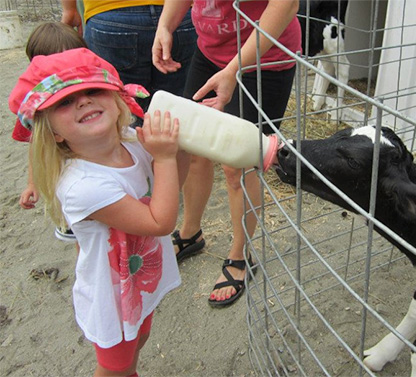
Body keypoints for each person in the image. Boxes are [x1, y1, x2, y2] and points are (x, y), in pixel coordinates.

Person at [8, 48, 185, 376]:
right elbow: (160, 221)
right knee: (113, 368)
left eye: (92, 91)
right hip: (112, 297)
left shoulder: (131, 141)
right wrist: (166, 157)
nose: (84, 101)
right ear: (55, 133)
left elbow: (171, 186)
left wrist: (185, 140)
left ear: (115, 100)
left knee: (139, 341)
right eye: (64, 102)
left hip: (137, 279)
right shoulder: (82, 185)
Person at [152, 0, 301, 306]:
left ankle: (240, 254)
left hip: (265, 58)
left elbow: (286, 5)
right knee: (192, 144)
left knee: (238, 164)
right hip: (211, 52)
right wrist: (165, 25)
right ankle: (191, 233)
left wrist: (234, 69)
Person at [12, 21, 88, 242]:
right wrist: (32, 183)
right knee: (80, 236)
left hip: (97, 177)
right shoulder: (35, 110)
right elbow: (35, 148)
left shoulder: (92, 96)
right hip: (65, 183)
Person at [61, 0, 197, 112]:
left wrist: (69, 9)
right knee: (176, 109)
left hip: (109, 14)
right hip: (178, 13)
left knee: (121, 111)